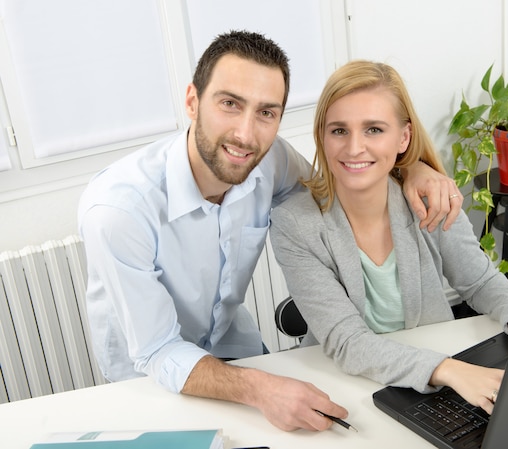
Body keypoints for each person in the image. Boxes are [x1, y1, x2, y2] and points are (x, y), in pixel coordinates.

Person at [77, 31, 462, 431]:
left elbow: (342, 186)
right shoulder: (118, 211)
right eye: (229, 104)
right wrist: (261, 389)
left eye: (266, 112)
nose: (246, 134)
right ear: (192, 101)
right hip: (151, 376)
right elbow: (158, 349)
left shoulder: (268, 159)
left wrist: (413, 167)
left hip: (235, 345)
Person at [269, 60, 508, 415]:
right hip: (350, 387)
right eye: (339, 131)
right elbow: (348, 343)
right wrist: (449, 370)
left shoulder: (429, 197)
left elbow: (479, 280)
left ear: (403, 137)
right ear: (322, 136)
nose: (354, 148)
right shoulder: (294, 223)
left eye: (374, 129)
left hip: (433, 384)